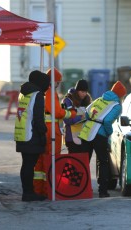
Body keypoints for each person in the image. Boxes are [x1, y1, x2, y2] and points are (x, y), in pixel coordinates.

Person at [33, 68, 83, 197]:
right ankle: (48, 190)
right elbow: (57, 112)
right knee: (51, 161)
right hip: (51, 131)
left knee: (41, 163)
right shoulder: (50, 92)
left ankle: (39, 190)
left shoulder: (43, 91)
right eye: (58, 82)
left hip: (44, 130)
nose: (58, 85)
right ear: (53, 81)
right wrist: (72, 113)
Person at [79, 80, 127, 198]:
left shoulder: (100, 99)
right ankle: (102, 191)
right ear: (121, 95)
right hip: (100, 135)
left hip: (87, 132)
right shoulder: (116, 106)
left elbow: (87, 112)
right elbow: (107, 121)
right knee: (103, 162)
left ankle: (81, 190)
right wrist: (109, 132)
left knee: (83, 162)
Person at [15, 70, 50, 202]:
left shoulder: (24, 93)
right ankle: (29, 193)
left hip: (22, 132)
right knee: (30, 165)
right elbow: (38, 117)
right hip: (31, 134)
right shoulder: (37, 94)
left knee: (26, 164)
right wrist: (43, 132)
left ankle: (27, 192)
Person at [62, 79, 92, 159]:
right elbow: (66, 119)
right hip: (71, 138)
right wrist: (80, 118)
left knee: (82, 164)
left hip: (84, 137)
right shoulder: (68, 101)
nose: (84, 94)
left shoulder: (87, 101)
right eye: (82, 91)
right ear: (77, 90)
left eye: (85, 92)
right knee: (73, 162)